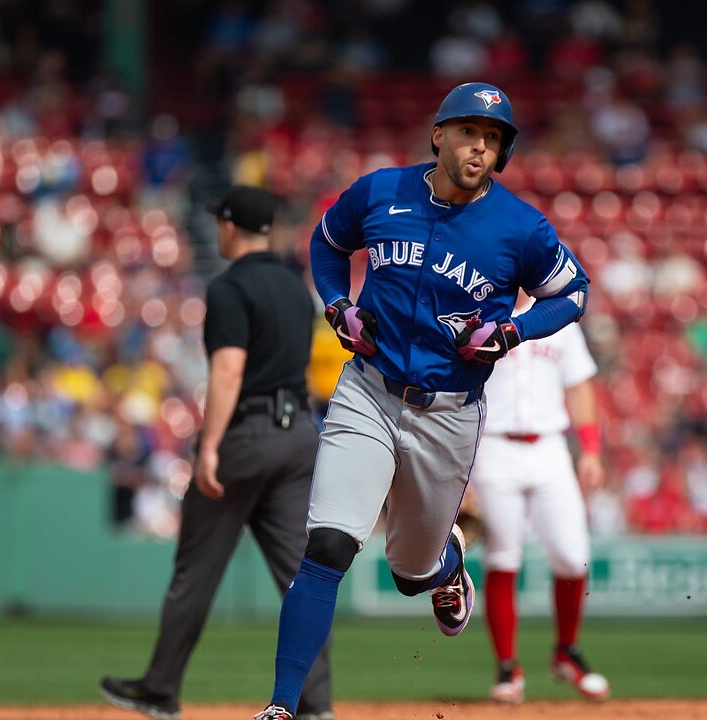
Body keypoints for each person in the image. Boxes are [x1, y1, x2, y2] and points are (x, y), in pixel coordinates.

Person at [252, 82, 590, 720]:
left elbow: (573, 294)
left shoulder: (519, 227)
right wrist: (337, 304)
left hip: (450, 412)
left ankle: (446, 566)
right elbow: (326, 245)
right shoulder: (380, 191)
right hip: (368, 391)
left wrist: (514, 329)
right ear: (439, 134)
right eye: (469, 132)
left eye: (493, 140)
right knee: (328, 545)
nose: (480, 148)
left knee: (409, 572)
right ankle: (281, 709)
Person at [101, 185, 335, 720]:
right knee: (307, 579)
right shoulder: (298, 290)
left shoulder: (231, 286)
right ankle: (316, 705)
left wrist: (208, 446)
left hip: (247, 435)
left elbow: (228, 368)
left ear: (230, 226)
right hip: (298, 433)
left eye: (219, 222)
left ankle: (160, 689)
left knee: (195, 571)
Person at [467, 290, 610, 705]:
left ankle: (566, 651)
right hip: (492, 446)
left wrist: (591, 449)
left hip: (549, 446)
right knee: (503, 557)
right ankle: (508, 668)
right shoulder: (477, 313)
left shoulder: (558, 317)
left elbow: (580, 385)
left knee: (572, 555)